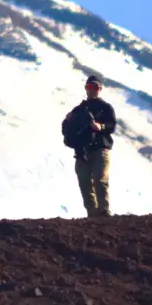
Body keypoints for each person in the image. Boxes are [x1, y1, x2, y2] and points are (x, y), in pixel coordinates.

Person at [62, 75, 117, 218]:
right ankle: (92, 214)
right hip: (82, 151)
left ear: (100, 89)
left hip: (100, 148)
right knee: (84, 182)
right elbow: (66, 130)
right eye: (89, 87)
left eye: (95, 87)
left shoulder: (105, 108)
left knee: (100, 178)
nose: (92, 90)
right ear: (86, 88)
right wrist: (67, 120)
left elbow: (112, 125)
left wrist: (101, 126)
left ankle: (104, 211)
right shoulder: (78, 110)